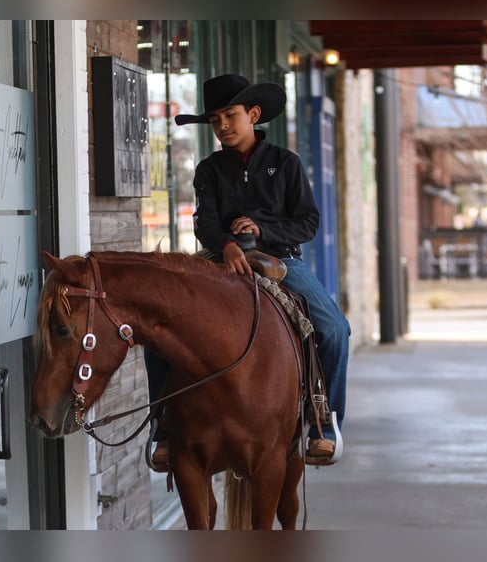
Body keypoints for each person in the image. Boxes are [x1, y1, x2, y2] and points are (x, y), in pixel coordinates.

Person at [146, 73, 350, 468]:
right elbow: (203, 221)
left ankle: (324, 423)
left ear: (253, 114)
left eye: (230, 116)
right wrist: (226, 245)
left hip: (282, 261)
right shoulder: (209, 169)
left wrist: (262, 228)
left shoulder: (285, 164)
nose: (222, 126)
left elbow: (307, 222)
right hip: (220, 259)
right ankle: (165, 427)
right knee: (158, 329)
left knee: (335, 329)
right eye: (216, 120)